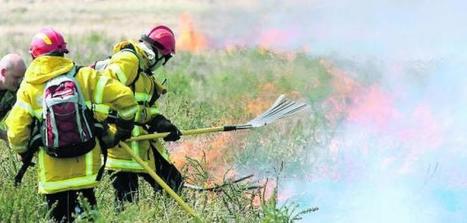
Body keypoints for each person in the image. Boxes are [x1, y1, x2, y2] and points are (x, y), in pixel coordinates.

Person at [6, 27, 138, 222]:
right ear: (62, 53)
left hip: (52, 178)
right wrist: (123, 129)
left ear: (35, 55)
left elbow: (16, 134)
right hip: (85, 173)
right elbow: (125, 98)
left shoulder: (29, 87)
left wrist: (23, 151)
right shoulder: (84, 76)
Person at [94, 25, 184, 207]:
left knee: (174, 183)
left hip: (141, 145)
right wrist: (105, 126)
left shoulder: (145, 75)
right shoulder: (128, 61)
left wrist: (162, 123)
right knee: (128, 204)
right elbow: (102, 89)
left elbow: (144, 109)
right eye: (165, 59)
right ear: (159, 54)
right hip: (121, 146)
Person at [0, 53, 26, 140]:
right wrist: (5, 136)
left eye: (22, 78)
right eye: (16, 77)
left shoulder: (17, 89)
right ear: (3, 72)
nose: (19, 82)